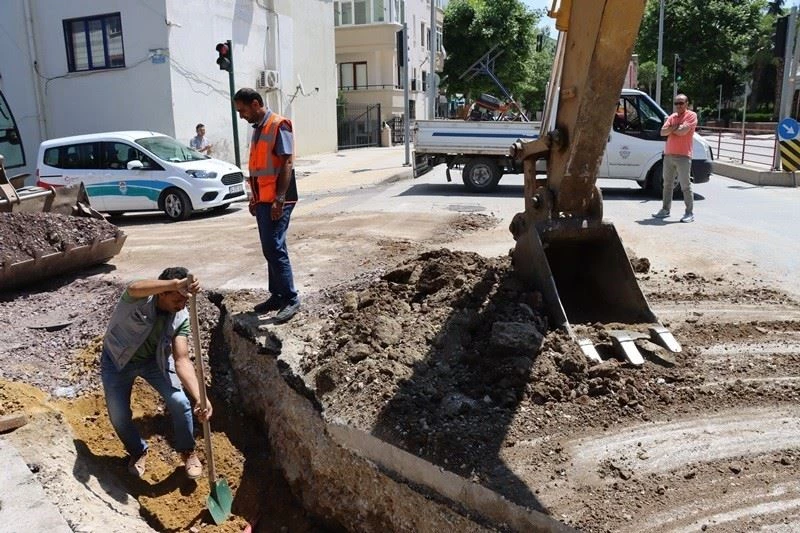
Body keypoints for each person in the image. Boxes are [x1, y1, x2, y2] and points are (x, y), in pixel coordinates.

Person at [100, 267, 212, 479]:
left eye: (184, 301)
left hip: (154, 361)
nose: (181, 306)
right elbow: (133, 288)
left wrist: (200, 397)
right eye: (176, 300)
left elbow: (181, 360)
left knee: (180, 402)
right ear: (163, 292)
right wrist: (175, 285)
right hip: (117, 361)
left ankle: (187, 451)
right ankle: (137, 451)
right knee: (119, 415)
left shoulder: (181, 316)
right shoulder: (138, 300)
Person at [233, 88, 301, 324]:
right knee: (269, 248)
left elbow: (287, 163)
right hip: (263, 198)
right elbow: (258, 168)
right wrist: (254, 197)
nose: (241, 116)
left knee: (274, 247)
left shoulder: (278, 125)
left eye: (242, 110)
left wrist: (279, 199)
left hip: (278, 198)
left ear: (255, 104)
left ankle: (291, 299)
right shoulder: (258, 129)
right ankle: (277, 295)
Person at [652, 93, 697, 223]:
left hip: (683, 156)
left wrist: (672, 128)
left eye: (681, 103)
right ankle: (665, 210)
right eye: (676, 103)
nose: (678, 106)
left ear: (686, 104)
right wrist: (676, 127)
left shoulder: (691, 116)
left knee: (685, 186)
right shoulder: (672, 116)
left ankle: (689, 213)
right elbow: (662, 132)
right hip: (669, 155)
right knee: (667, 184)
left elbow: (683, 132)